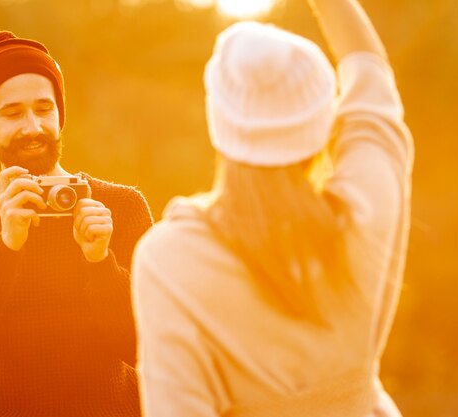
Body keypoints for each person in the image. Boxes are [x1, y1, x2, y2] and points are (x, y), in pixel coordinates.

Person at [132, 0, 413, 415]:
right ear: (322, 127)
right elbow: (370, 75)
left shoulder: (170, 262)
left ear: (219, 123)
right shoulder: (363, 210)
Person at [0, 31, 152, 417]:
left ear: (60, 115)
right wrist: (7, 246)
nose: (32, 126)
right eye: (12, 113)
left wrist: (99, 262)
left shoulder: (122, 207)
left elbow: (143, 345)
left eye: (44, 109)